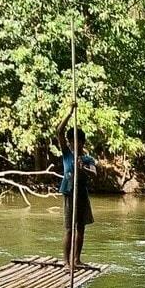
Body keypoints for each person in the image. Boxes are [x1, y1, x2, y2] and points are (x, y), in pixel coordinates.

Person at [56, 107, 98, 268]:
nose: (71, 144)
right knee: (69, 229)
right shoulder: (67, 154)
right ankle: (66, 262)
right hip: (69, 193)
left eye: (74, 141)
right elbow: (59, 131)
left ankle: (76, 260)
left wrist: (83, 168)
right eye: (70, 141)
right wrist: (69, 113)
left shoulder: (87, 159)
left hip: (81, 194)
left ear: (81, 142)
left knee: (80, 228)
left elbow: (94, 174)